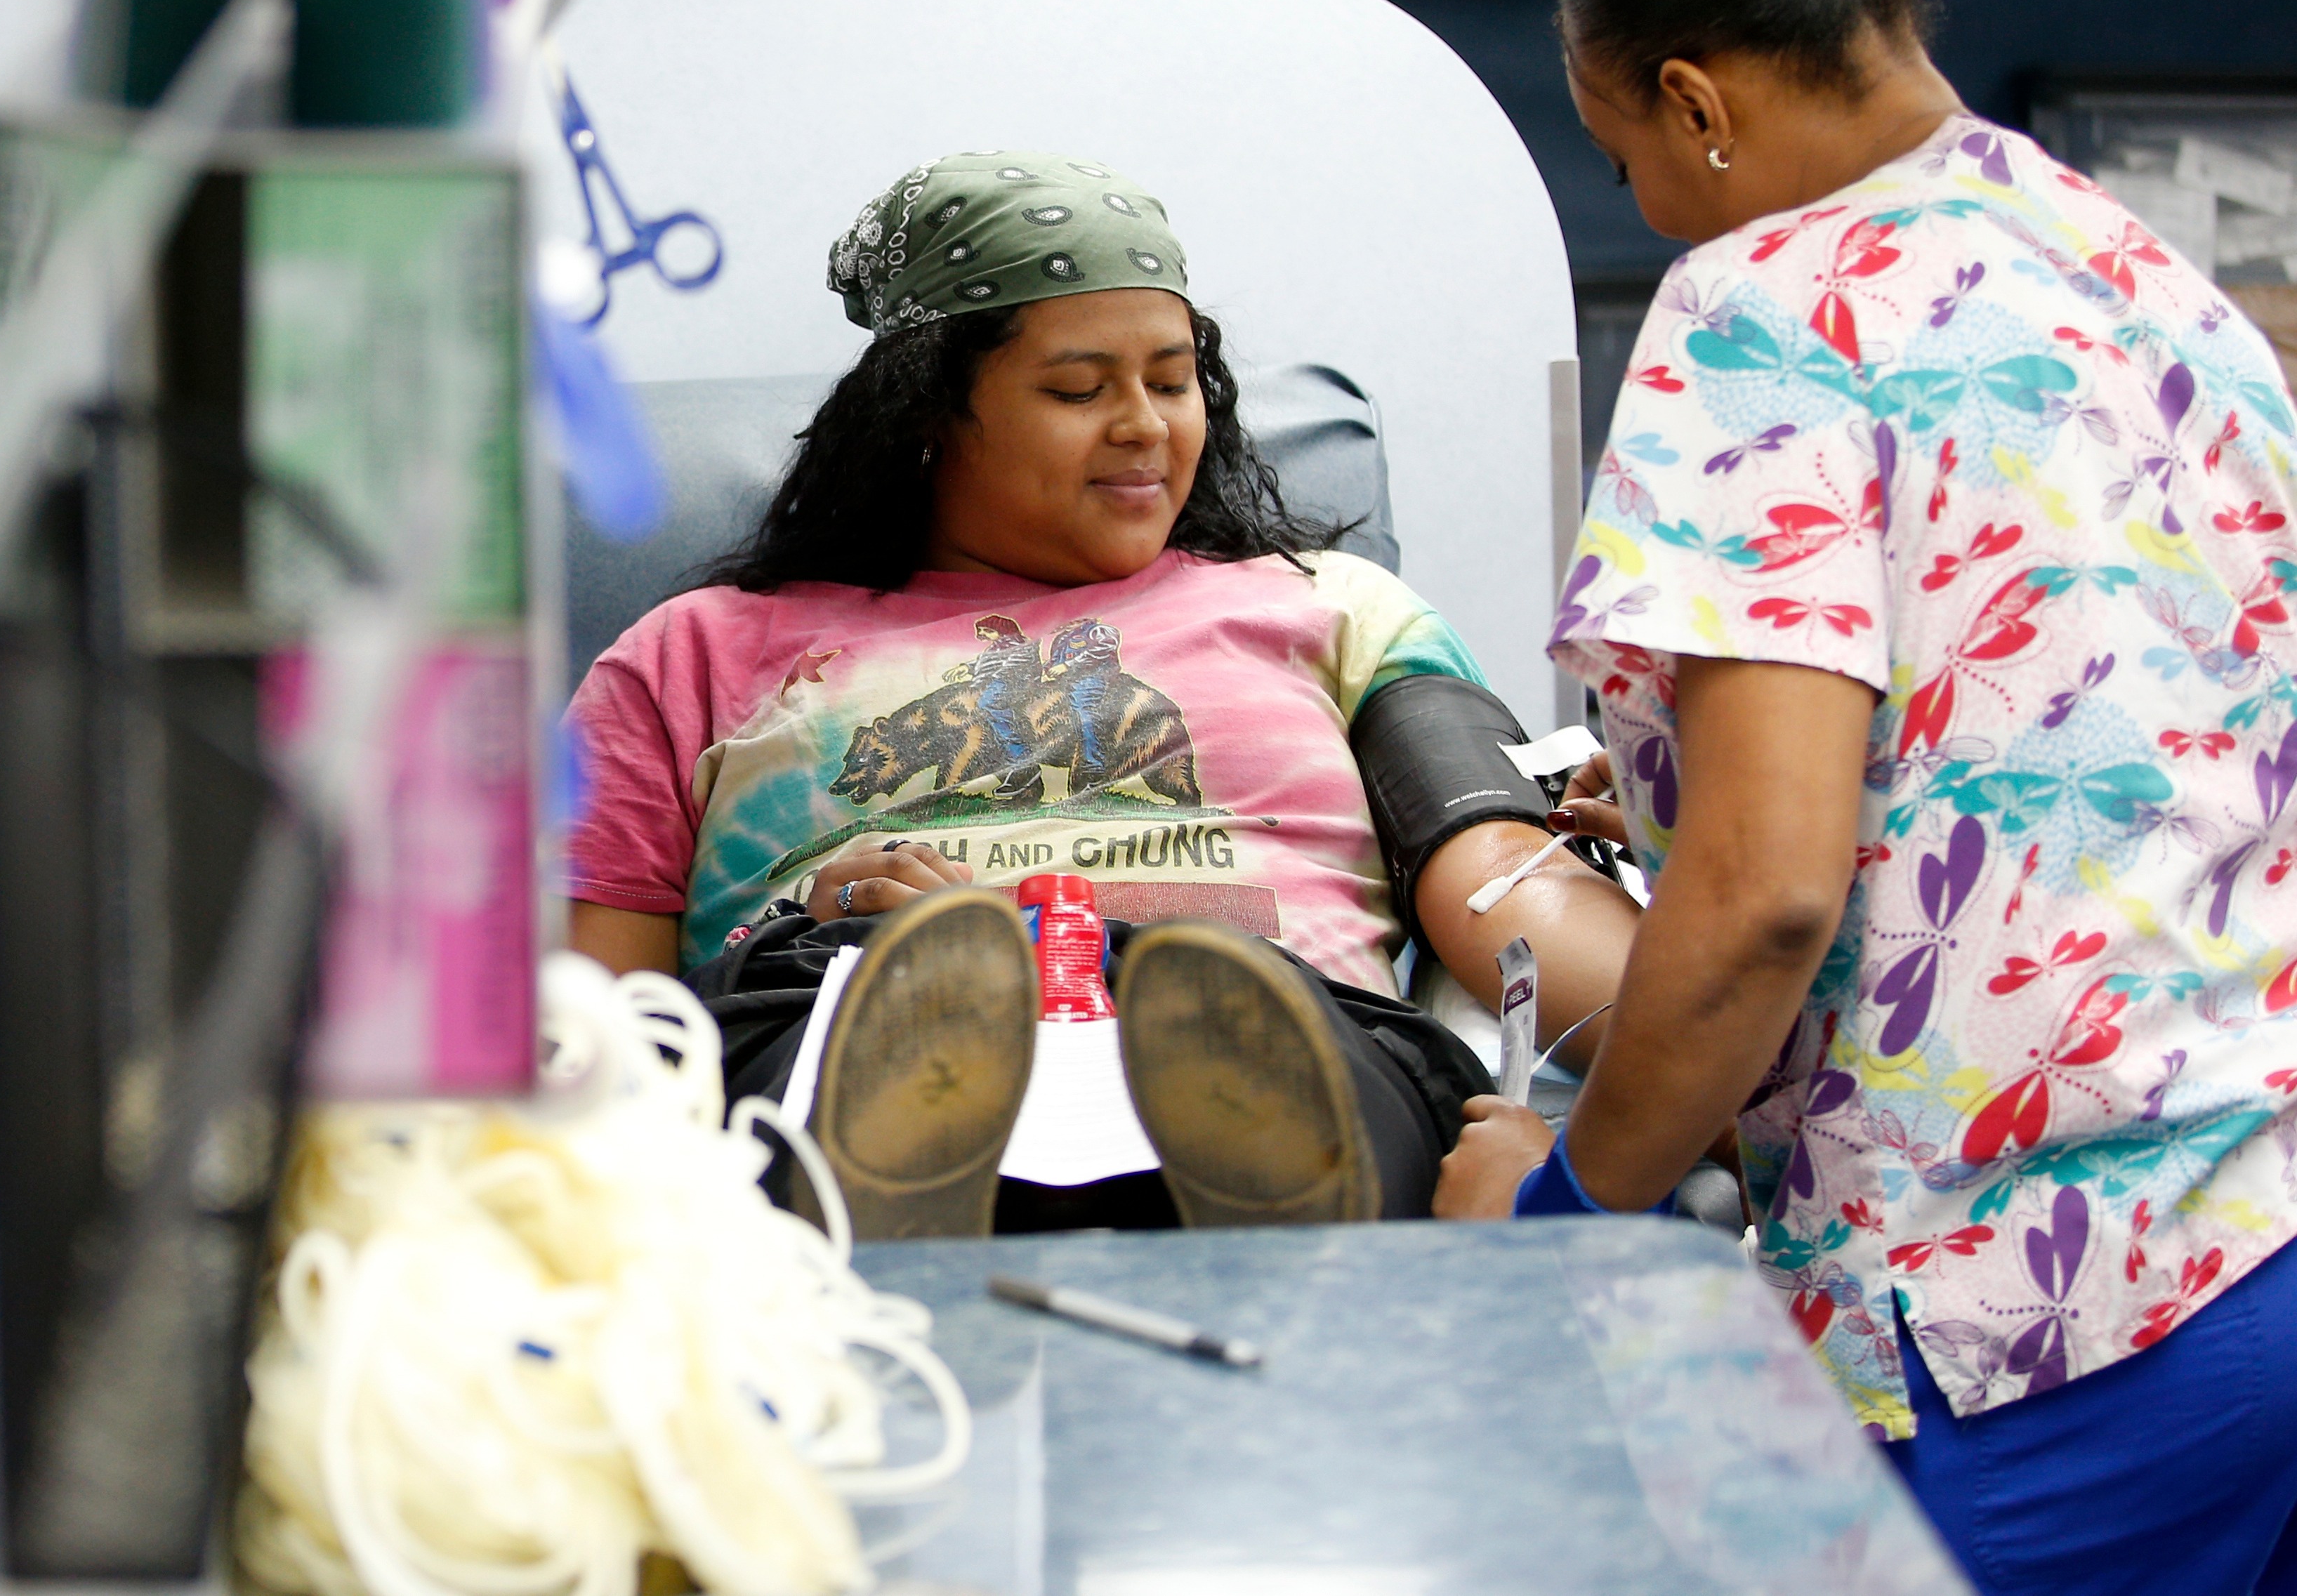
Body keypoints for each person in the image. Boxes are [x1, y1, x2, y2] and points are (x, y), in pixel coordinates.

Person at [1499, 0, 2297, 1594]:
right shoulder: (2154, 283)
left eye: (1624, 150)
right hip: (2269, 1239)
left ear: (1694, 104)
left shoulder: (1758, 310)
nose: (1646, 195)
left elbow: (1769, 893)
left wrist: (1562, 1221)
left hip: (2035, 1319)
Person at [562, 150, 1620, 1234]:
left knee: (1274, 1037)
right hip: (845, 996)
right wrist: (814, 920)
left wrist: (1682, 1111)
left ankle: (1172, 1132)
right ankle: (932, 1107)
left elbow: (1506, 885)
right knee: (872, 1020)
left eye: (1172, 383)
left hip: (1276, 1012)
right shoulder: (690, 657)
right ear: (925, 414)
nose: (1146, 428)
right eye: (1079, 390)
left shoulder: (1340, 611)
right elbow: (603, 1033)